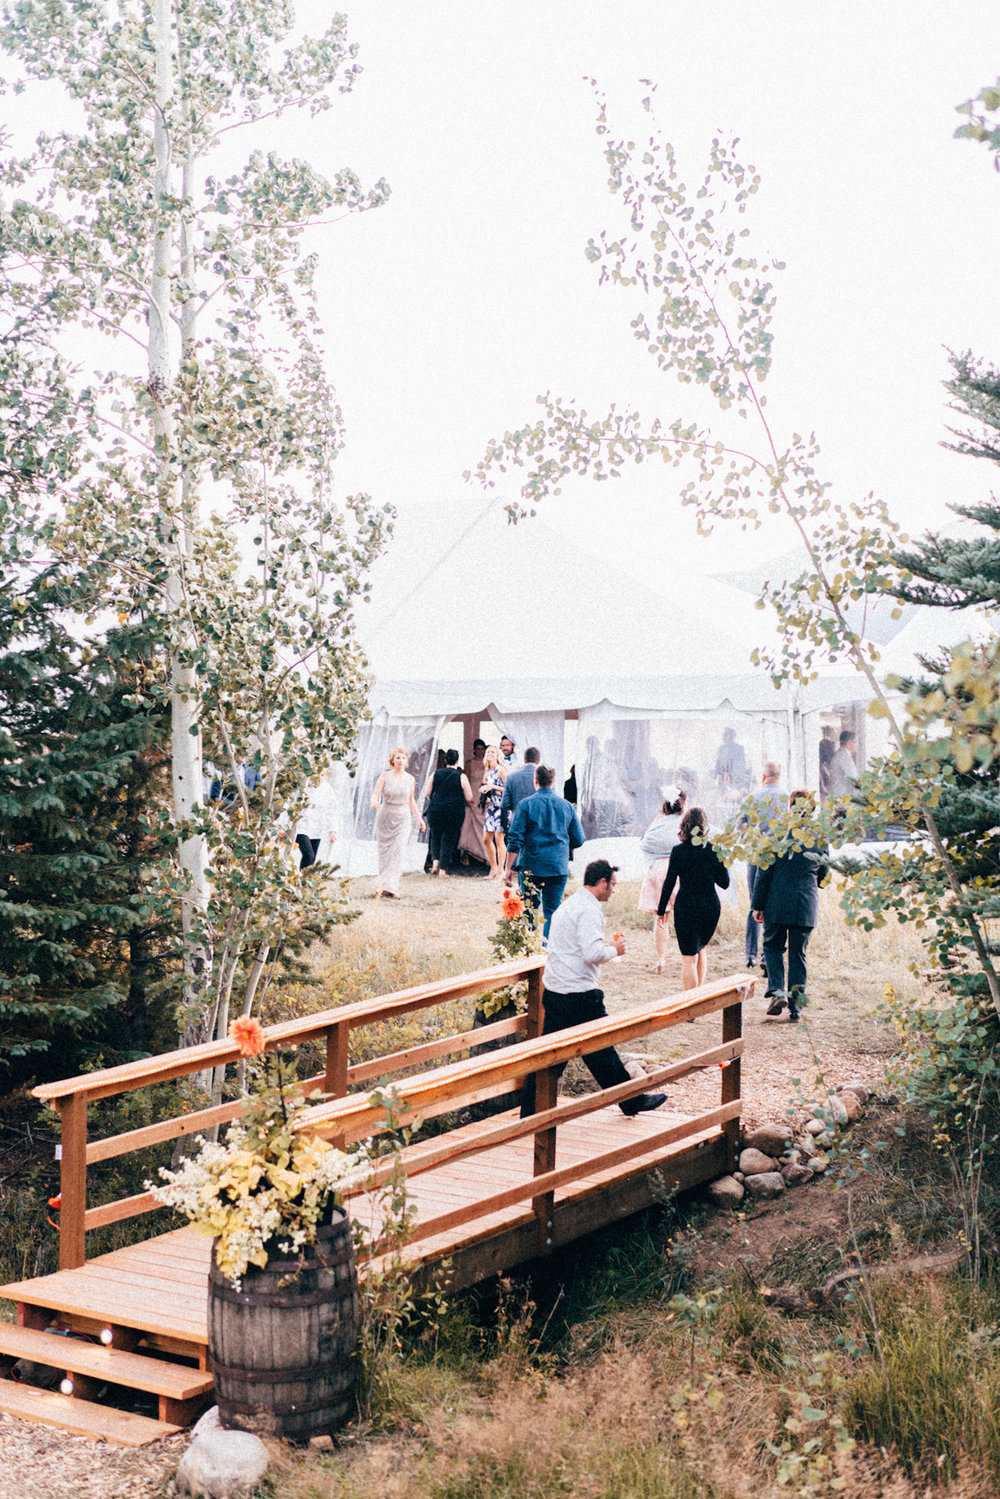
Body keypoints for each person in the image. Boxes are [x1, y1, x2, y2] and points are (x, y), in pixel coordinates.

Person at [519, 859, 666, 1118]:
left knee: (554, 1057)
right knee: (599, 1050)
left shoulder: (570, 905)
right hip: (578, 994)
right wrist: (615, 950)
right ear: (601, 883)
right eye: (612, 885)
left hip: (556, 989)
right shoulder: (589, 911)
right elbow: (591, 952)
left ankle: (529, 1111)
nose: (613, 890)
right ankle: (631, 1101)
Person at [752, 790, 828, 1021]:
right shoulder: (819, 838)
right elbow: (824, 873)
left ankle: (777, 992)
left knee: (772, 947)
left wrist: (757, 904)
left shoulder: (777, 834)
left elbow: (763, 873)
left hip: (776, 902)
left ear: (791, 808)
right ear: (812, 809)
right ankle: (796, 1008)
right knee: (798, 955)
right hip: (805, 904)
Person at [503, 764, 584, 937]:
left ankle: (530, 951)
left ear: (536, 780)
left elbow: (515, 839)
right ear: (553, 781)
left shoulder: (525, 805)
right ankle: (548, 952)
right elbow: (579, 839)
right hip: (557, 866)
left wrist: (508, 869)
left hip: (531, 864)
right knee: (552, 911)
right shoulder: (567, 807)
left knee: (529, 910)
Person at [656, 806, 730, 990]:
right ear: (705, 827)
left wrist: (661, 911)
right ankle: (699, 999)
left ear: (685, 826)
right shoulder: (714, 850)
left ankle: (691, 1007)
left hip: (686, 907)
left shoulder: (678, 851)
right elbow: (725, 883)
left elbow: (669, 883)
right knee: (700, 948)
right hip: (709, 908)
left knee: (689, 958)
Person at [736, 762, 784, 970]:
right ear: (779, 777)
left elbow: (740, 830)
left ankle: (750, 955)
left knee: (755, 904)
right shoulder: (787, 799)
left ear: (763, 776)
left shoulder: (751, 799)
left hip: (756, 857)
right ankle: (767, 953)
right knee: (773, 904)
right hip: (779, 859)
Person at [637, 786, 687, 973]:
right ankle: (687, 957)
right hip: (681, 871)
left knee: (661, 917)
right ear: (684, 802)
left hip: (657, 871)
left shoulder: (658, 822)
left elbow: (644, 844)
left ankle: (661, 959)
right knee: (685, 917)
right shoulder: (686, 822)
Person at [371, 748, 424, 898]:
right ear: (392, 760)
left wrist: (419, 818)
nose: (400, 760)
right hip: (386, 815)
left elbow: (411, 800)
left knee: (398, 851)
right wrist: (374, 802)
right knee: (385, 853)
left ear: (406, 761)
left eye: (403, 758)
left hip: (403, 817)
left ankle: (393, 887)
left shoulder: (410, 779)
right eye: (398, 758)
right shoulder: (385, 776)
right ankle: (383, 886)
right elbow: (375, 794)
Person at [423, 748, 473, 876]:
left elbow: (428, 792)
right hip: (453, 811)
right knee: (448, 838)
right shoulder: (461, 776)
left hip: (435, 810)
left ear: (445, 760)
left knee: (435, 836)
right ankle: (443, 869)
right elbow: (469, 797)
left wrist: (436, 801)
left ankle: (435, 864)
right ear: (457, 761)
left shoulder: (435, 774)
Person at [458, 738, 489, 867]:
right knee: (468, 826)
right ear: (474, 750)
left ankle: (485, 854)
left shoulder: (488, 763)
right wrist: (466, 797)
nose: (480, 751)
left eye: (482, 749)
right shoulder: (469, 763)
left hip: (483, 796)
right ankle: (465, 853)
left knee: (484, 826)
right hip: (472, 795)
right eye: (478, 749)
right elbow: (465, 780)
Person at [480, 745, 508, 879]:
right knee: (486, 839)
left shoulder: (501, 770)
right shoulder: (487, 773)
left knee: (499, 839)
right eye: (488, 752)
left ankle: (501, 870)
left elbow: (508, 789)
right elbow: (485, 789)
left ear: (497, 755)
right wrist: (485, 796)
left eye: (493, 752)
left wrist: (493, 786)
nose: (490, 754)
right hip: (491, 808)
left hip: (501, 808)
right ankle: (493, 867)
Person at [501, 746, 540, 835]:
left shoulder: (511, 777)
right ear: (538, 760)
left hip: (517, 822)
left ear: (524, 760)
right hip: (538, 824)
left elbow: (505, 804)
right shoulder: (544, 777)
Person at [826, 730, 859, 801]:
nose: (857, 745)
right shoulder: (843, 756)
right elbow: (853, 778)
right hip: (841, 799)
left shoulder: (841, 754)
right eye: (856, 742)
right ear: (850, 743)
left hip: (838, 797)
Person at [714, 727, 748, 793]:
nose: (724, 736)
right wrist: (716, 776)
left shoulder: (739, 748)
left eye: (726, 734)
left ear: (732, 736)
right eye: (724, 734)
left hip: (735, 780)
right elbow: (718, 763)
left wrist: (731, 775)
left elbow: (741, 765)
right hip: (722, 780)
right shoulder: (721, 748)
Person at [818, 726, 837, 797]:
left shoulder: (821, 743)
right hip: (827, 767)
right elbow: (831, 756)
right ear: (830, 733)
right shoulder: (831, 744)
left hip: (823, 766)